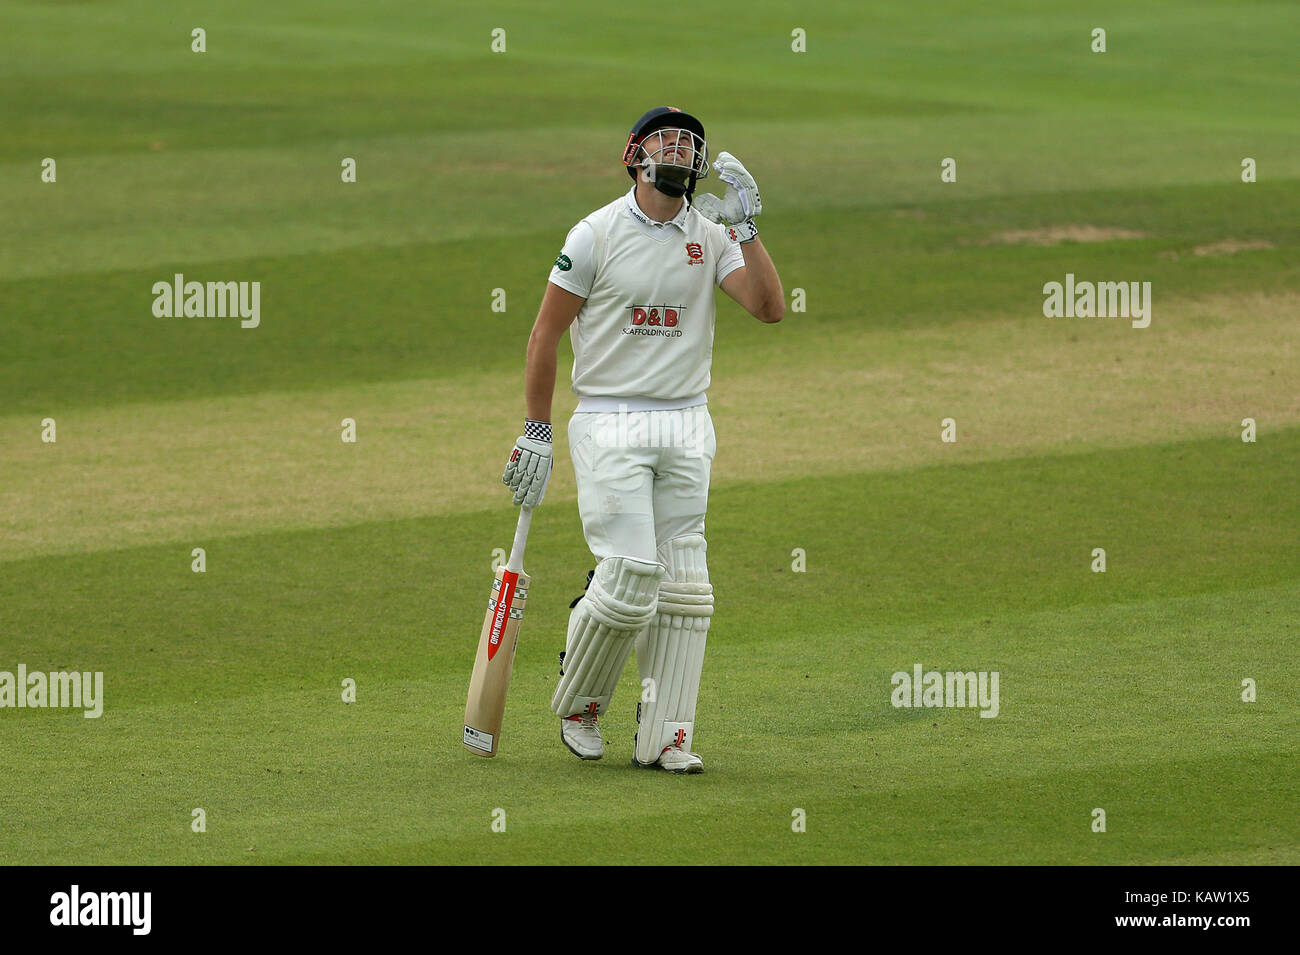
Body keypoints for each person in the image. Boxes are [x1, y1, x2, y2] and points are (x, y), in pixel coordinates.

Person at [502, 106, 785, 773]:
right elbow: (544, 334)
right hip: (610, 418)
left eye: (691, 141)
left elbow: (769, 307)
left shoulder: (712, 236)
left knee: (685, 591)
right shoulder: (596, 233)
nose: (681, 149)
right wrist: (537, 429)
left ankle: (665, 735)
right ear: (634, 154)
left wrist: (746, 230)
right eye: (666, 139)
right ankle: (582, 699)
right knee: (630, 578)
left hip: (688, 420)